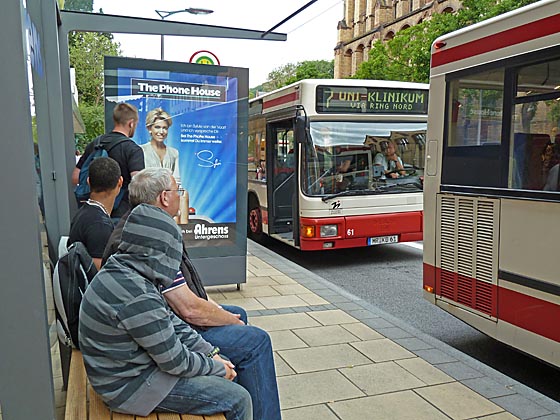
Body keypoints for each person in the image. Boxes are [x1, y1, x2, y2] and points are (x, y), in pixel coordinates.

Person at [102, 168, 281, 420]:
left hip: (154, 337)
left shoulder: (140, 227)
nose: (181, 196)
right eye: (178, 191)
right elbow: (187, 312)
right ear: (164, 197)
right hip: (148, 357)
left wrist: (216, 338)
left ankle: (238, 386)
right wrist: (213, 360)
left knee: (236, 317)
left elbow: (173, 309)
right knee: (256, 342)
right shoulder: (151, 239)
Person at [79, 203, 252, 419]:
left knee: (223, 363)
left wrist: (211, 353)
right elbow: (174, 360)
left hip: (121, 374)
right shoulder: (137, 294)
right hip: (130, 389)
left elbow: (173, 324)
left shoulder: (124, 270)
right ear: (158, 252)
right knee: (239, 398)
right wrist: (216, 368)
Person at [72, 102, 144, 222]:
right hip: (120, 216)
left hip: (93, 212)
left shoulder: (95, 144)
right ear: (131, 123)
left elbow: (75, 177)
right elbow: (139, 185)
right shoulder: (132, 149)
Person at [68, 157, 122, 270]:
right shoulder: (100, 225)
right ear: (120, 182)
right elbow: (100, 275)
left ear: (88, 181)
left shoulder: (83, 214)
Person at [141, 108, 181, 184]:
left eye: (165, 128)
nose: (161, 132)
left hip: (168, 195)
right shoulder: (141, 150)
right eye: (157, 127)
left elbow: (177, 181)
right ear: (149, 128)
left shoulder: (174, 153)